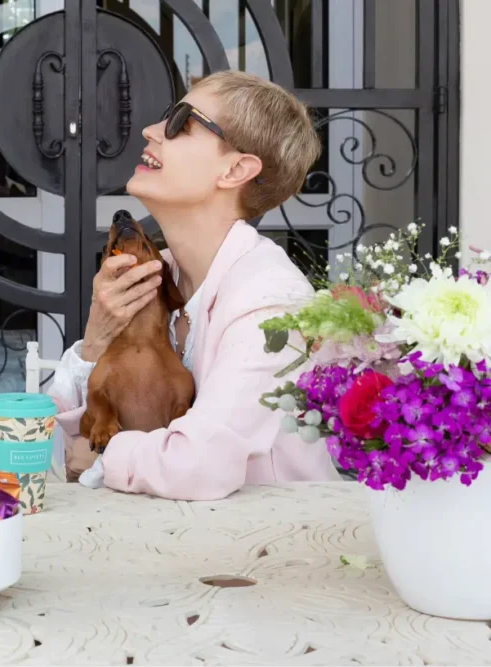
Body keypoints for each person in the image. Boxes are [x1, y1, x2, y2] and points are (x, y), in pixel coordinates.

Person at [49, 70, 342, 500]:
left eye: (180, 123)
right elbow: (60, 438)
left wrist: (102, 461)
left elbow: (197, 466)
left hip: (269, 550)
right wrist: (96, 341)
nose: (150, 130)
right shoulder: (159, 275)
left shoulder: (269, 305)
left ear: (236, 169)